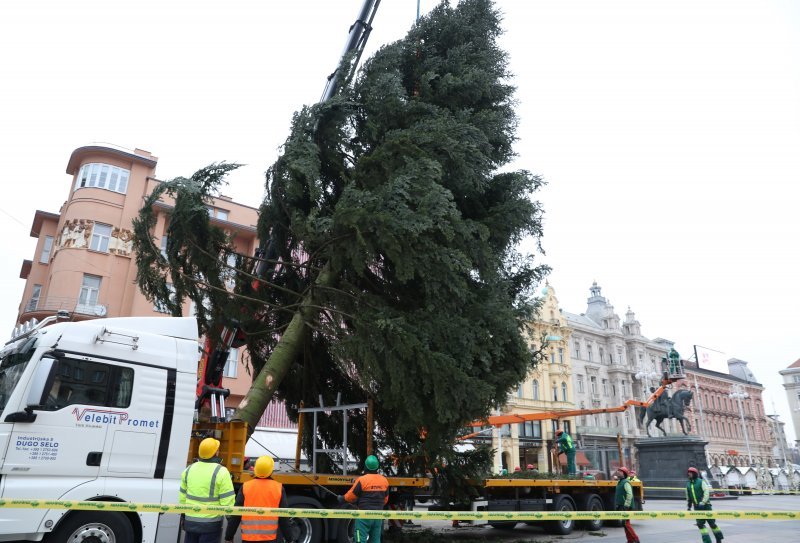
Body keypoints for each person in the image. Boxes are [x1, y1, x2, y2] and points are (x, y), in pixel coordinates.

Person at [224, 455, 293, 543]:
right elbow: (284, 517)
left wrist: (229, 537)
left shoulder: (246, 486)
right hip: (269, 538)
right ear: (271, 470)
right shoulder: (278, 488)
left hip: (249, 539)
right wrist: (289, 538)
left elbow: (236, 515)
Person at [180, 437, 236, 543]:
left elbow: (182, 497)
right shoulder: (221, 471)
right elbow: (228, 502)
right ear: (215, 452)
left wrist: (183, 516)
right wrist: (231, 524)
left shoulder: (188, 469)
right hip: (211, 525)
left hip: (190, 521)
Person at [338, 455, 389, 542]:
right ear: (377, 467)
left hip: (363, 516)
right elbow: (385, 500)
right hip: (378, 516)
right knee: (375, 540)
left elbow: (351, 496)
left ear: (365, 466)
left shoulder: (362, 480)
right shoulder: (384, 481)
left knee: (360, 540)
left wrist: (342, 498)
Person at [686, 467, 724, 543]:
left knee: (712, 523)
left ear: (694, 474)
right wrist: (689, 506)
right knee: (700, 524)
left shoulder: (701, 482)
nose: (689, 474)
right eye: (688, 472)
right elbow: (688, 496)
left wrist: (703, 502)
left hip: (706, 506)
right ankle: (707, 542)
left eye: (690, 472)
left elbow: (706, 492)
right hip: (697, 507)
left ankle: (719, 538)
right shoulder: (688, 484)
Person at [614, 467, 640, 543]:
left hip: (626, 506)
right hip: (622, 505)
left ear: (624, 474)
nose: (618, 472)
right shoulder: (620, 482)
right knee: (624, 524)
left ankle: (636, 539)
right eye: (618, 471)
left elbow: (629, 494)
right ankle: (630, 540)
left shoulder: (626, 482)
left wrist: (626, 505)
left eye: (620, 471)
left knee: (626, 523)